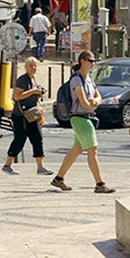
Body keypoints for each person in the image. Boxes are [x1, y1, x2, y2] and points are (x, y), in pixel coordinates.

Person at [51, 52, 114, 194]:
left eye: (94, 60)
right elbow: (83, 102)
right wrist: (93, 104)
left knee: (77, 150)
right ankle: (99, 184)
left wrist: (95, 102)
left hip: (87, 116)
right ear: (82, 61)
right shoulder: (77, 80)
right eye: (90, 60)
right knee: (93, 150)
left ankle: (58, 178)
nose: (93, 63)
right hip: (80, 117)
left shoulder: (89, 78)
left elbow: (98, 96)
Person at [2, 56, 49, 176]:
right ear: (26, 67)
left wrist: (40, 91)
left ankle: (41, 167)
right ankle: (7, 165)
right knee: (19, 140)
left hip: (32, 115)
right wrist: (33, 91)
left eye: (35, 66)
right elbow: (17, 96)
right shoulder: (22, 80)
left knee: (37, 139)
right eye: (31, 66)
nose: (33, 68)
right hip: (21, 116)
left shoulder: (33, 79)